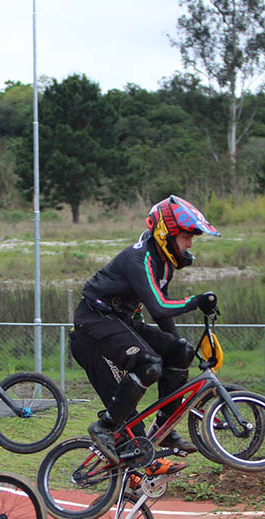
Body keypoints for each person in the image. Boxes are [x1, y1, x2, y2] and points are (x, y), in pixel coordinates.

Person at [70, 195, 221, 469]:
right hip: (94, 319)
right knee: (149, 364)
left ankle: (163, 426)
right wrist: (196, 301)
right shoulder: (138, 258)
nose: (190, 244)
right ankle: (105, 426)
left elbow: (161, 317)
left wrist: (180, 352)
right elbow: (160, 307)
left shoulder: (163, 264)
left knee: (181, 349)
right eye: (186, 237)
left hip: (123, 319)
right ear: (166, 233)